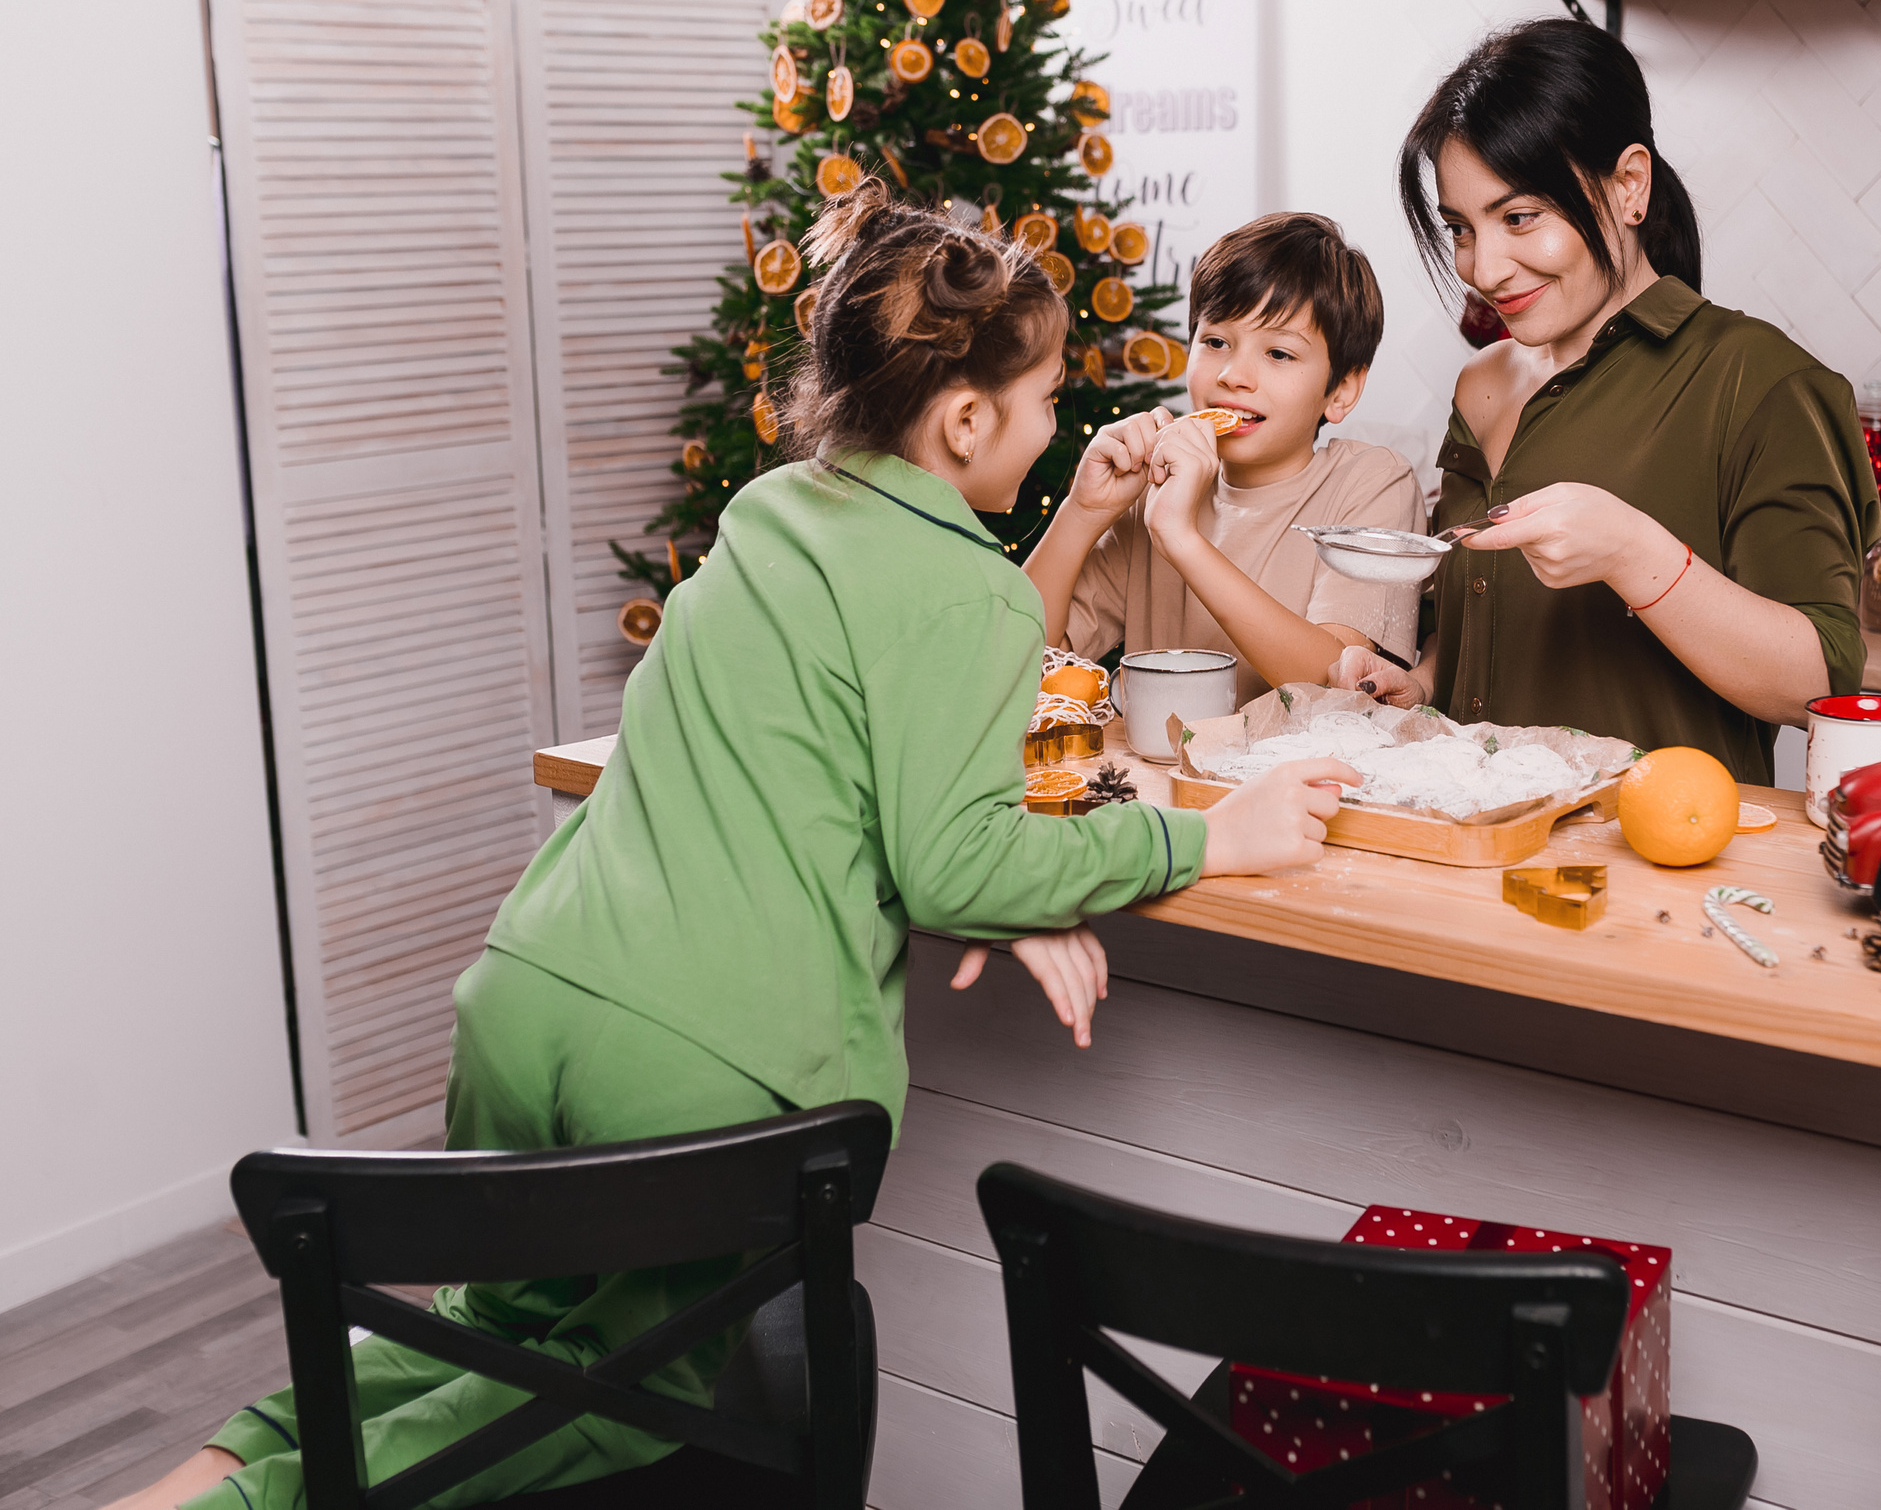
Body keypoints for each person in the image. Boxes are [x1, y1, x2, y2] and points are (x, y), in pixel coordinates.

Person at [119, 180, 1356, 1510]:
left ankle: (220, 1461)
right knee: (623, 1386)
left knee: (488, 1322)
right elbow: (951, 852)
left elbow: (879, 766)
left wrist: (1006, 859)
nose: (1060, 425)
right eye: (1049, 399)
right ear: (963, 418)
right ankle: (255, 1508)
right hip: (689, 1076)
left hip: (526, 1004)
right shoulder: (964, 593)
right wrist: (1203, 846)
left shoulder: (772, 514)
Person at [1330, 19, 1879, 784]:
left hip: (1658, 870)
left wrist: (1635, 554)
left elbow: (1819, 684)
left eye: (1520, 218)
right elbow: (1483, 622)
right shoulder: (1481, 389)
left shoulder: (1760, 384)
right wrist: (1418, 682)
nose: (1483, 268)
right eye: (1461, 228)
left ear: (1629, 186)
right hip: (1469, 853)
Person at [1024, 212, 1423, 702]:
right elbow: (1022, 659)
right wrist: (1082, 512)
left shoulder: (1372, 482)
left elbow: (1336, 681)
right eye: (1215, 342)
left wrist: (1181, 539)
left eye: (1279, 354)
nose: (1234, 374)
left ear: (1341, 390)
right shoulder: (1151, 489)